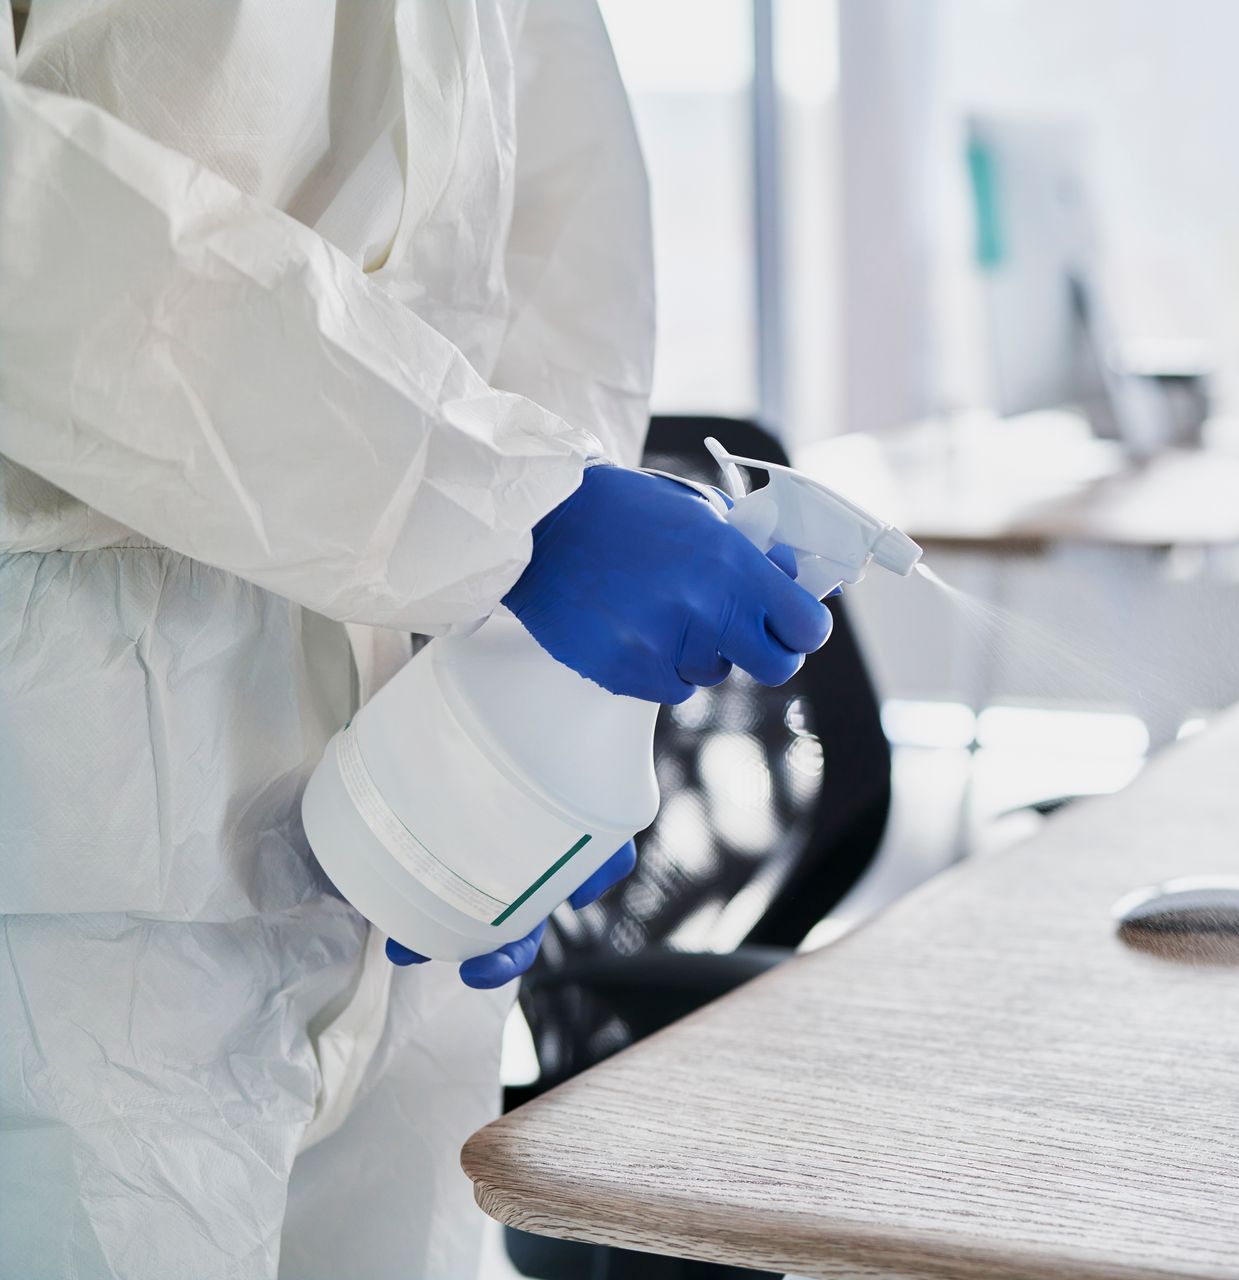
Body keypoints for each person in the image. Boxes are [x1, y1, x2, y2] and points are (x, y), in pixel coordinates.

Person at [0, 2, 829, 1276]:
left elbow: (556, 233)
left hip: (416, 821)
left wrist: (545, 670)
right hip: (81, 862)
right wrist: (503, 509)